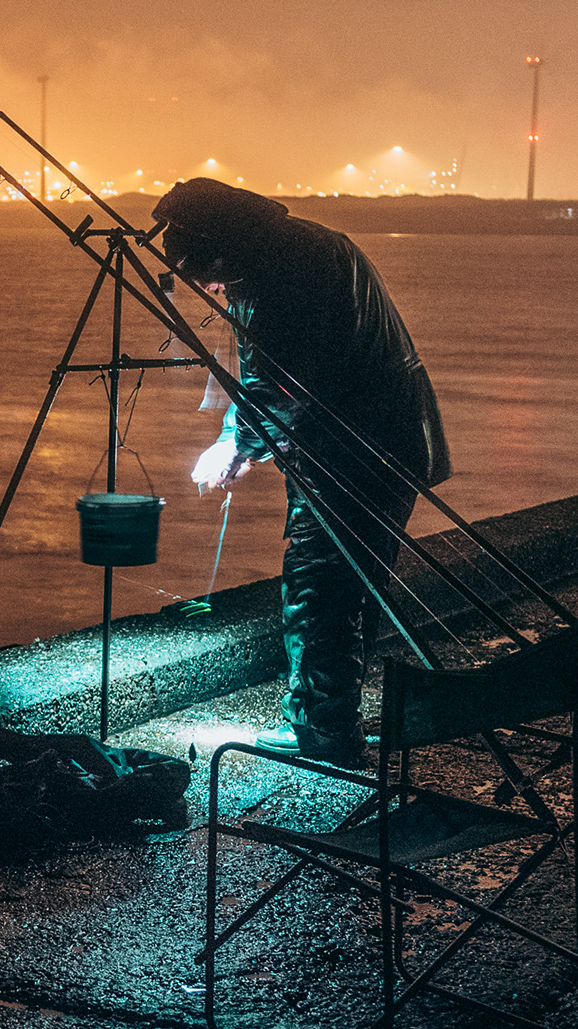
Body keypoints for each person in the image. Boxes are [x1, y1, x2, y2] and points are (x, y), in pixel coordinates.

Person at [155, 177, 451, 767]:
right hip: (389, 439)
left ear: (224, 245)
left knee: (320, 588)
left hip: (354, 454)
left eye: (206, 275)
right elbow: (269, 379)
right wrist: (237, 436)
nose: (208, 289)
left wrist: (236, 447)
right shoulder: (303, 248)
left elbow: (281, 384)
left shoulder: (281, 277)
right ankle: (332, 720)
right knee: (353, 587)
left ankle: (325, 735)